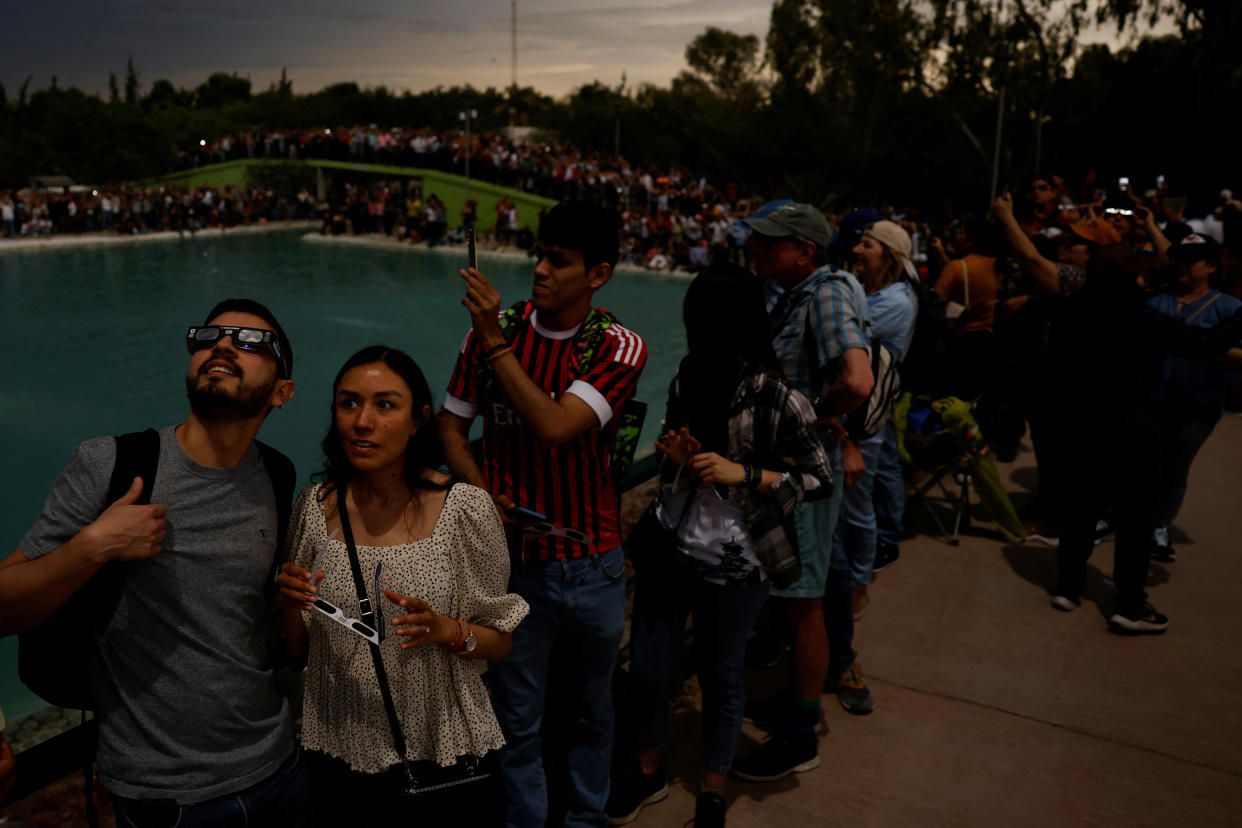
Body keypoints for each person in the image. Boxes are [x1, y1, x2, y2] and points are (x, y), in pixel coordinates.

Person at [0, 299, 312, 827]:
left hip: (280, 766)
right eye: (209, 337)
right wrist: (91, 547)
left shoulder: (277, 476)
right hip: (166, 800)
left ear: (283, 392)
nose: (223, 344)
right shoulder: (113, 465)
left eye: (251, 341)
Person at [440, 201, 648, 827]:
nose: (541, 270)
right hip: (517, 566)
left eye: (560, 261)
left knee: (592, 712)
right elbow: (450, 429)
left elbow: (557, 426)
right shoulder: (490, 330)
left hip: (594, 563)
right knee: (516, 720)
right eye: (541, 255)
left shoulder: (615, 345)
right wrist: (481, 496)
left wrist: (495, 341)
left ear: (599, 274)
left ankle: (587, 819)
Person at [607, 264, 833, 826]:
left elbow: (820, 480)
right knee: (652, 669)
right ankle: (649, 771)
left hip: (738, 561)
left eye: (704, 317)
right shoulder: (688, 374)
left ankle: (713, 787)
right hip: (672, 546)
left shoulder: (781, 398)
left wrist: (747, 473)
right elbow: (669, 464)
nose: (697, 329)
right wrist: (676, 456)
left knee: (721, 675)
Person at [278, 345, 528, 823]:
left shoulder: (464, 511)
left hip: (444, 754)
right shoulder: (313, 509)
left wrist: (444, 630)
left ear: (419, 420)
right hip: (339, 752)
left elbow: (501, 642)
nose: (362, 421)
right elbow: (296, 655)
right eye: (349, 403)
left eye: (385, 405)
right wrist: (290, 605)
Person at [732, 203, 873, 782]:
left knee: (805, 603)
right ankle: (797, 702)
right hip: (790, 468)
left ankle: (800, 735)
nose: (758, 251)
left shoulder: (827, 291)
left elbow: (857, 380)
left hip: (804, 472)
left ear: (805, 251)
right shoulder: (788, 292)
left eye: (771, 244)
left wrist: (807, 419)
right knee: (795, 599)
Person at [1147, 234, 1241, 561]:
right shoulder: (1155, 299)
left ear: (1212, 266)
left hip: (1198, 406)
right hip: (1150, 399)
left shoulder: (1229, 307)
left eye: (1194, 258)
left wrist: (1198, 347)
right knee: (1137, 460)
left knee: (1176, 466)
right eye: (1180, 257)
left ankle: (1159, 526)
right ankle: (1115, 516)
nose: (1183, 264)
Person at [842, 221, 917, 618]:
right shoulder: (873, 291)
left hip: (865, 414)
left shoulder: (895, 301)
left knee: (857, 503)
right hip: (854, 409)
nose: (857, 249)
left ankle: (859, 582)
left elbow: (841, 331)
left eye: (867, 244)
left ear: (887, 255)